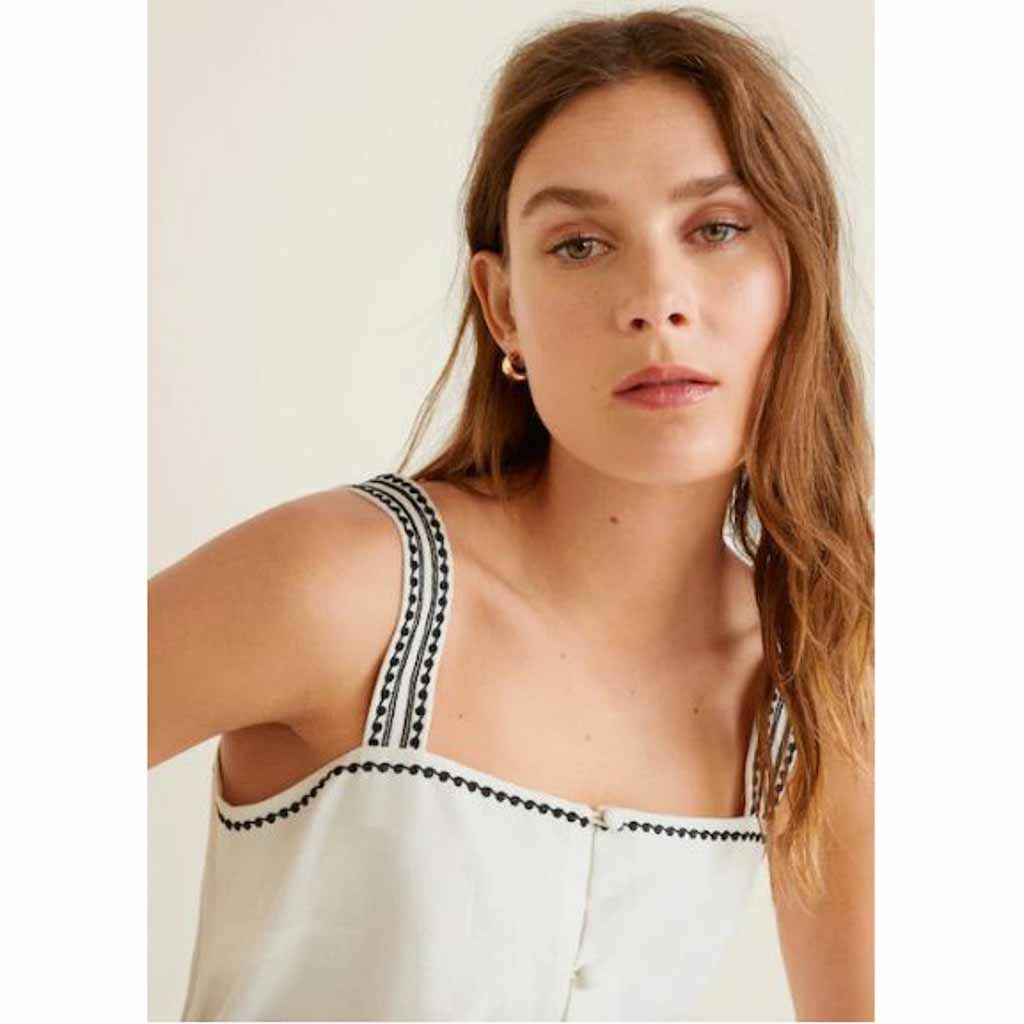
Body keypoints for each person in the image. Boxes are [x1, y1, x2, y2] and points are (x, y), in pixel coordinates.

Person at [149, 7, 874, 1020]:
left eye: (716, 229)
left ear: (798, 272)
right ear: (503, 309)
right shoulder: (346, 589)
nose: (656, 299)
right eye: (580, 244)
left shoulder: (821, 677)